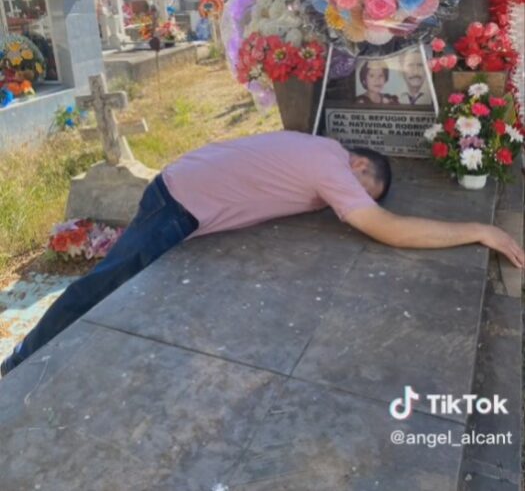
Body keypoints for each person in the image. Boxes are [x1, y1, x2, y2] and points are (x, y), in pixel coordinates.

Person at [1, 131, 522, 377]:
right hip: (178, 204)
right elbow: (385, 228)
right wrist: (479, 229)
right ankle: (22, 360)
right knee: (103, 285)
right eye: (366, 187)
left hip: (176, 189)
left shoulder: (315, 147)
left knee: (113, 284)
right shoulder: (333, 166)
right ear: (360, 165)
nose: (358, 197)